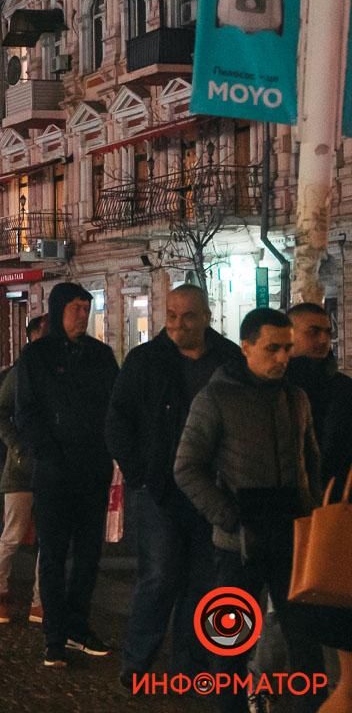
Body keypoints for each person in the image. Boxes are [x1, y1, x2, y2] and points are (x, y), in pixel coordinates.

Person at [175, 308, 326, 713]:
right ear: (246, 347)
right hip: (237, 544)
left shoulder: (296, 397)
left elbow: (310, 460)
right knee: (230, 648)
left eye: (287, 349)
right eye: (272, 348)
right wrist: (228, 516)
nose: (282, 358)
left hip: (292, 540)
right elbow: (187, 467)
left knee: (305, 644)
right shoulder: (216, 398)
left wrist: (310, 511)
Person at [105, 285, 241, 681]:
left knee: (202, 581)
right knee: (159, 576)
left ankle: (189, 664)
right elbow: (118, 419)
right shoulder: (146, 360)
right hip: (160, 488)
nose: (179, 325)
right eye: (172, 316)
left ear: (206, 316)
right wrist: (140, 474)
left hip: (212, 490)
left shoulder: (228, 360)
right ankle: (137, 663)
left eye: (188, 316)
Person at [15, 282, 119, 668]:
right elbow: (26, 411)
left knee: (89, 553)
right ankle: (54, 634)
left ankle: (79, 624)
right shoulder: (37, 356)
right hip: (55, 473)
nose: (81, 315)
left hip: (93, 469)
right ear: (58, 310)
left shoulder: (100, 355)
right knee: (54, 555)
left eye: (85, 308)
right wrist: (48, 453)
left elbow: (115, 406)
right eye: (74, 307)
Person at [0, 315, 47, 625]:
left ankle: (41, 599)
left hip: (52, 466)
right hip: (22, 468)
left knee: (48, 538)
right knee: (13, 533)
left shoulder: (61, 370)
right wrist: (18, 446)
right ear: (32, 336)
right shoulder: (20, 372)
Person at [286, 302, 352, 486]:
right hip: (282, 498)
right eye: (313, 332)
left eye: (327, 332)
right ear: (288, 336)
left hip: (335, 499)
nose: (324, 340)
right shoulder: (274, 387)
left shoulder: (344, 388)